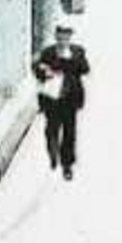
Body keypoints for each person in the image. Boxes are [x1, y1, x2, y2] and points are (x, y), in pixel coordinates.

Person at [33, 21, 90, 179]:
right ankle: (52, 151)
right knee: (51, 129)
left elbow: (85, 69)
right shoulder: (48, 53)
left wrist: (70, 62)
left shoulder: (77, 52)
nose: (63, 39)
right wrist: (45, 71)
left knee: (69, 132)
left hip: (70, 98)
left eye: (66, 36)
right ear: (56, 36)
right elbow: (38, 70)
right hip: (52, 98)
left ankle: (67, 164)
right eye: (61, 36)